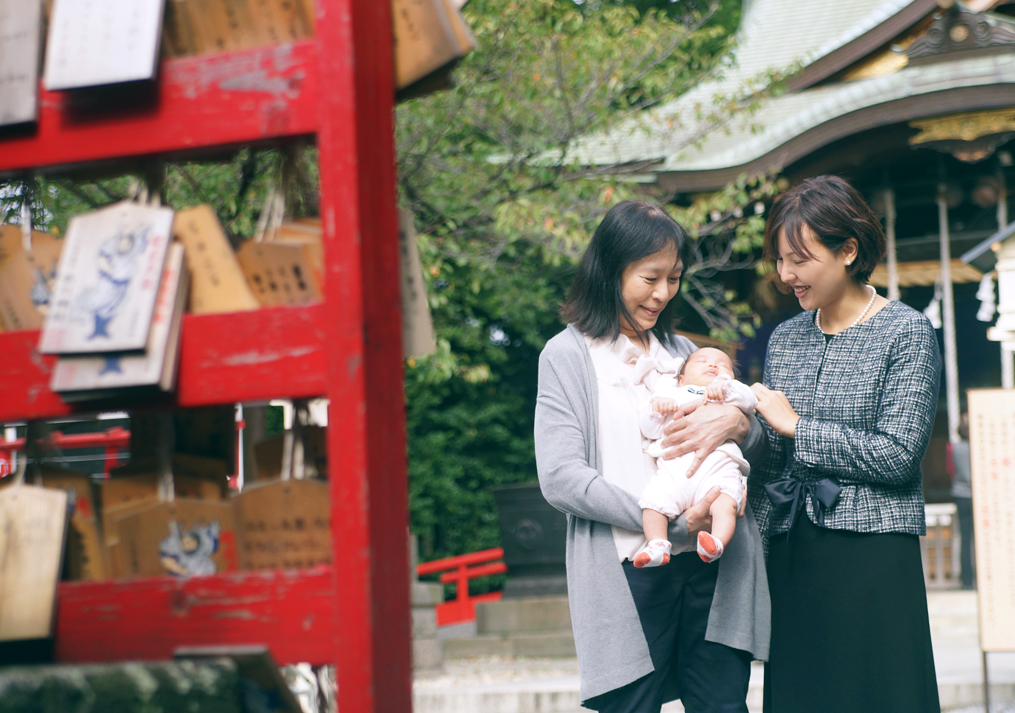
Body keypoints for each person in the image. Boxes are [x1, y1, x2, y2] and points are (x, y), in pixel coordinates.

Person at [534, 200, 770, 713]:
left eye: (675, 277)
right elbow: (560, 476)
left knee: (722, 706)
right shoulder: (568, 356)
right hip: (630, 568)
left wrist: (739, 423)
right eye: (650, 277)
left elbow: (754, 442)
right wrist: (662, 517)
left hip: (713, 564)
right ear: (610, 269)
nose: (663, 293)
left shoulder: (684, 352)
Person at [749, 175, 941, 713]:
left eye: (800, 259)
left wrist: (798, 428)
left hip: (874, 552)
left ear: (848, 251)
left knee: (883, 695)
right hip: (791, 547)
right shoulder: (786, 338)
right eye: (780, 261)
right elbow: (770, 456)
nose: (786, 276)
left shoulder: (906, 332)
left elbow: (899, 455)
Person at [636, 348, 758, 567]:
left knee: (725, 504)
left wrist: (726, 386)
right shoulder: (672, 395)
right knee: (653, 503)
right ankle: (657, 544)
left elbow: (750, 401)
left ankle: (716, 543)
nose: (712, 365)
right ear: (681, 378)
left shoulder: (730, 396)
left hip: (718, 468)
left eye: (722, 364)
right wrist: (657, 411)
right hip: (674, 472)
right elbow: (650, 431)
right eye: (702, 361)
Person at [948, 412, 974, 590]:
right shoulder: (980, 447)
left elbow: (951, 471)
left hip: (960, 495)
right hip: (978, 496)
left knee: (964, 539)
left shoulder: (953, 448)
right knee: (980, 539)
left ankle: (966, 579)